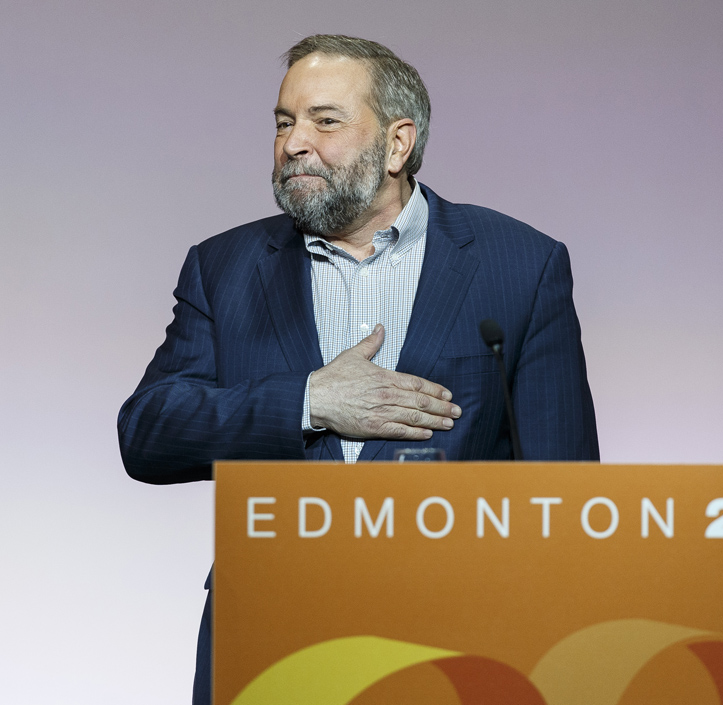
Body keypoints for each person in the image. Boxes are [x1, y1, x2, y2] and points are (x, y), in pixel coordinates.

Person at [118, 34, 598, 705]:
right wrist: (308, 399)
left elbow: (566, 501)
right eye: (284, 122)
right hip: (269, 643)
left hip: (458, 649)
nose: (294, 143)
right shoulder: (224, 267)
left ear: (398, 144)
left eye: (325, 120)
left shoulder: (519, 266)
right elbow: (147, 431)